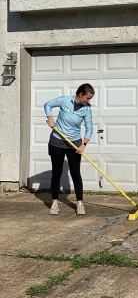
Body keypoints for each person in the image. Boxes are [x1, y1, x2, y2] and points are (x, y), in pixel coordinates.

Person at [44, 83, 95, 216]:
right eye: (87, 98)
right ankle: (54, 203)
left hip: (75, 144)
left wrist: (83, 145)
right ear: (80, 94)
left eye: (90, 99)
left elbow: (89, 128)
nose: (88, 101)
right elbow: (47, 104)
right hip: (57, 141)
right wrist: (50, 118)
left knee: (75, 173)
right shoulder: (65, 100)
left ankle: (80, 203)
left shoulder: (86, 109)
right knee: (57, 172)